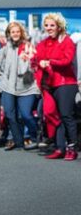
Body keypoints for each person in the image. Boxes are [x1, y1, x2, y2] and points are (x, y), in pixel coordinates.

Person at [32, 13, 77, 161]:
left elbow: (66, 60)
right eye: (47, 25)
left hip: (66, 83)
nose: (49, 28)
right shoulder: (44, 43)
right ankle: (60, 147)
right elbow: (38, 58)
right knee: (52, 115)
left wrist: (49, 61)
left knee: (66, 115)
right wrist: (37, 61)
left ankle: (72, 147)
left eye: (52, 25)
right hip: (50, 84)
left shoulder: (67, 41)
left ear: (59, 26)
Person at [0, 22, 39, 151]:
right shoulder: (5, 48)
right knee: (10, 114)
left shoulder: (28, 46)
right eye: (12, 31)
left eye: (17, 31)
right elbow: (0, 66)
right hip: (8, 86)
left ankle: (36, 137)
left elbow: (34, 67)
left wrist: (27, 60)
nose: (15, 34)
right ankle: (18, 142)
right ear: (9, 34)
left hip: (27, 86)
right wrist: (0, 81)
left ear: (21, 32)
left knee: (25, 115)